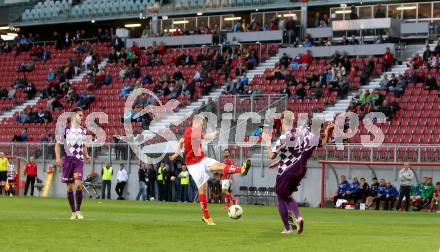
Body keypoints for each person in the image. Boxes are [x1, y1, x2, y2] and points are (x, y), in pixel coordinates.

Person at [170, 115, 252, 226]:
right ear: (196, 123)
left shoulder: (188, 131)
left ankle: (241, 169)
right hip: (193, 165)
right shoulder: (192, 132)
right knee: (202, 189)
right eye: (202, 124)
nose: (203, 126)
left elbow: (180, 142)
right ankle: (206, 217)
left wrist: (176, 153)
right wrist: (214, 134)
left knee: (220, 166)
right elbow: (206, 137)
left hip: (202, 159)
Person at [261, 112, 334, 235]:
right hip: (301, 169)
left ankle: (287, 228)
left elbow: (271, 155)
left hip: (286, 170)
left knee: (280, 197)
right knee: (287, 196)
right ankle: (298, 217)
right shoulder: (303, 131)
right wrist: (327, 132)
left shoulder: (283, 138)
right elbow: (319, 144)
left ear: (284, 121)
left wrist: (267, 142)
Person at [55, 107, 91, 220]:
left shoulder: (84, 131)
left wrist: (87, 155)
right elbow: (58, 144)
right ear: (74, 116)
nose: (82, 117)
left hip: (78, 161)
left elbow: (84, 146)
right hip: (67, 161)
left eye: (82, 115)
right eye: (80, 115)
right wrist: (58, 158)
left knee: (79, 184)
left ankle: (79, 210)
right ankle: (73, 212)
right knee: (70, 188)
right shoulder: (65, 130)